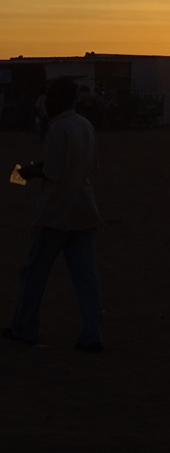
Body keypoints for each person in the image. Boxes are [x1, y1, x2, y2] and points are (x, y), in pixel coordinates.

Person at [4, 77, 104, 352]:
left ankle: (24, 328)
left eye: (50, 96)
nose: (46, 100)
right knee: (86, 277)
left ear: (59, 99)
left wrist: (27, 172)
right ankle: (92, 334)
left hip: (55, 212)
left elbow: (53, 172)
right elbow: (89, 167)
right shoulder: (86, 126)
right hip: (84, 209)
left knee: (34, 273)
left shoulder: (58, 128)